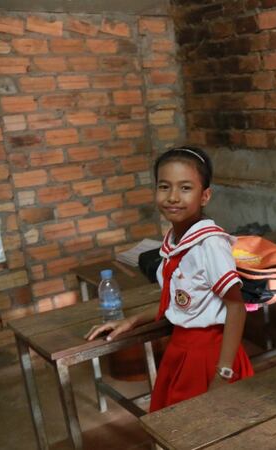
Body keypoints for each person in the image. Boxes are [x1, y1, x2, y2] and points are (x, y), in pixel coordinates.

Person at [85, 146, 253, 412]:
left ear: (205, 196)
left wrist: (223, 372)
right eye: (164, 187)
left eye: (185, 188)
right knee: (175, 421)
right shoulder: (174, 242)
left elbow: (236, 307)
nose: (173, 197)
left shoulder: (209, 244)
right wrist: (132, 320)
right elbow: (179, 302)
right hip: (181, 349)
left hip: (208, 355)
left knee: (202, 423)